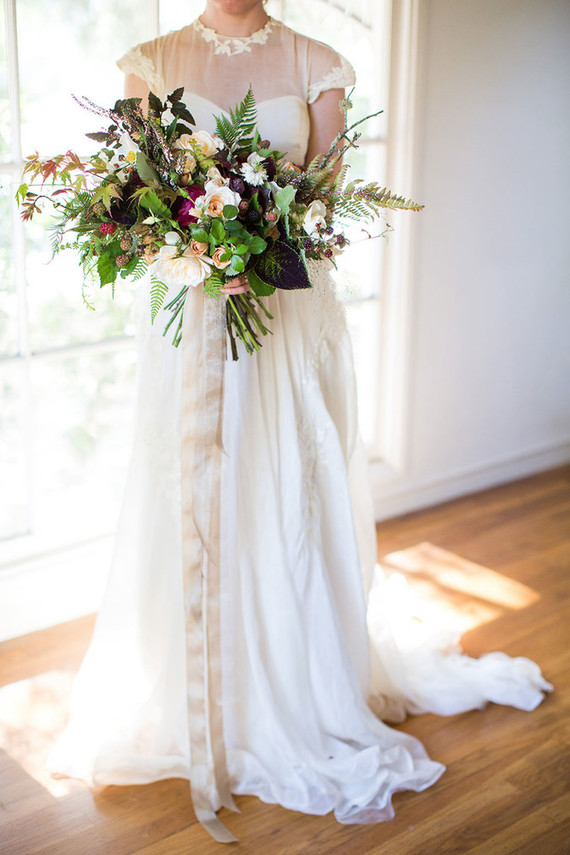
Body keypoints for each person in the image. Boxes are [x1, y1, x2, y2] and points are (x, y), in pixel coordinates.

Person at [46, 0, 552, 843]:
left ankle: (298, 683)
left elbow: (324, 204)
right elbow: (131, 204)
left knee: (285, 482)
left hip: (284, 315)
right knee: (199, 485)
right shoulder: (148, 58)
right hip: (190, 324)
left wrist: (253, 241)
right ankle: (195, 685)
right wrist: (196, 245)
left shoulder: (319, 62)